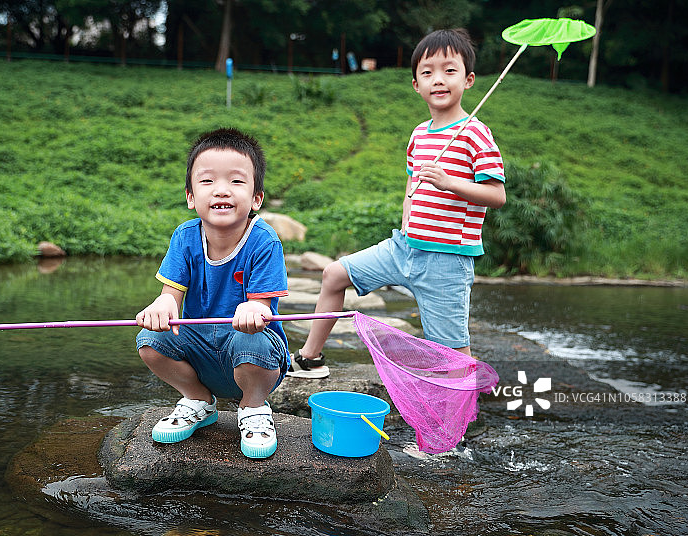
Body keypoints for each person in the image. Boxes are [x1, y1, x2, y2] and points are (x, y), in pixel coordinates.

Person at [287, 28, 506, 379]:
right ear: (416, 84)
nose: (439, 79)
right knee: (333, 274)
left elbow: (497, 195)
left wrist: (450, 183)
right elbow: (412, 180)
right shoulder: (420, 133)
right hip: (403, 247)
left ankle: (458, 422)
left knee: (453, 350)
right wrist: (407, 215)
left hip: (446, 261)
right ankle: (310, 358)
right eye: (427, 71)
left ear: (469, 80)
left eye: (450, 70)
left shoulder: (475, 133)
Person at [136, 128, 289, 459]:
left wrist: (254, 309)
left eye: (236, 182)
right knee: (150, 340)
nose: (222, 190)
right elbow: (170, 296)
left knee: (251, 339)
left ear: (256, 198)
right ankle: (198, 400)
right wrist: (161, 306)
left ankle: (253, 408)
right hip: (201, 353)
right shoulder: (185, 237)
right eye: (207, 182)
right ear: (191, 196)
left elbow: (260, 305)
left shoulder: (264, 240)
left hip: (253, 353)